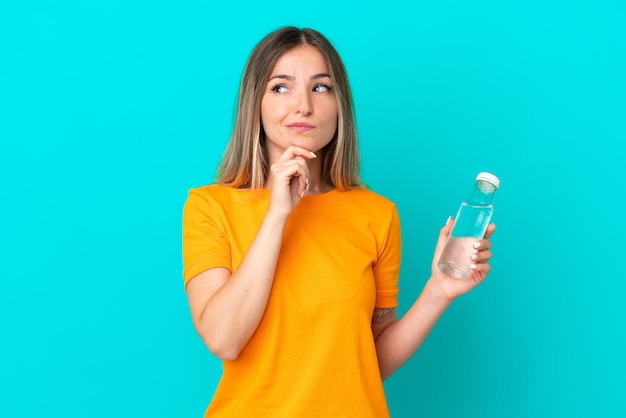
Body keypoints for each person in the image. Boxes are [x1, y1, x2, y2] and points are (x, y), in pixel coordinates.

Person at [181, 26, 495, 418]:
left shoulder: (376, 214)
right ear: (254, 103)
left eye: (320, 87)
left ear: (339, 104)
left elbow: (367, 363)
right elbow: (223, 340)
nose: (303, 106)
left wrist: (438, 292)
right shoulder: (210, 207)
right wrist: (278, 213)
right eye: (280, 87)